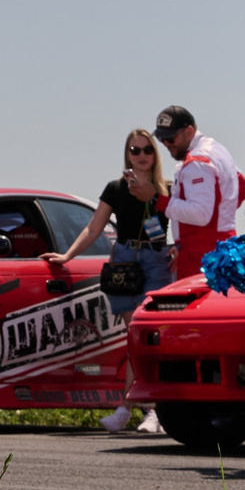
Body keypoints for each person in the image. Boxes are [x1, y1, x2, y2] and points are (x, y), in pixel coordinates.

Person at [58, 129, 177, 433]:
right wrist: (66, 256)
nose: (140, 155)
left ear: (155, 153)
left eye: (146, 150)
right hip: (125, 258)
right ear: (127, 155)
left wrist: (179, 247)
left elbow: (185, 223)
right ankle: (129, 407)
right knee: (133, 337)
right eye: (134, 150)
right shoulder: (115, 188)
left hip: (157, 259)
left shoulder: (167, 188)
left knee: (151, 336)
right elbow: (94, 228)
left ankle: (153, 410)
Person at [156, 107, 245, 284]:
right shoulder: (216, 150)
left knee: (194, 311)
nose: (166, 144)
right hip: (223, 246)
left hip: (201, 254)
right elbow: (241, 186)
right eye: (161, 139)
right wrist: (223, 213)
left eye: (170, 138)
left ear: (189, 131)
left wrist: (156, 200)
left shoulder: (197, 162)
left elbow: (201, 214)